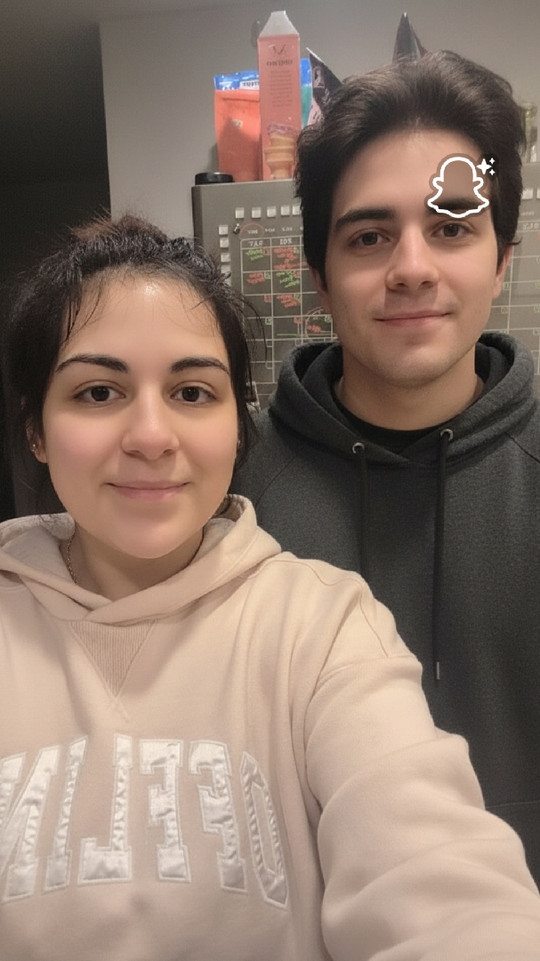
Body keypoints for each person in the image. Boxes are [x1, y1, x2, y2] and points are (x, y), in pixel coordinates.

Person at [1, 216, 540, 960]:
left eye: (192, 392)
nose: (152, 435)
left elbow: (441, 878)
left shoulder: (322, 627)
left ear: (237, 425)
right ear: (36, 428)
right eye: (98, 391)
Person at [232, 49, 540, 884]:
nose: (412, 267)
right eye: (369, 236)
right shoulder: (226, 492)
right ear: (320, 277)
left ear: (501, 259)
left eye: (451, 227)